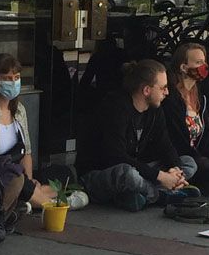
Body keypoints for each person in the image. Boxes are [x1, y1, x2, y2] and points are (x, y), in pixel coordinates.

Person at [76, 59, 197, 211]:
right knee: (128, 175)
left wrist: (175, 170)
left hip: (138, 167)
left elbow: (165, 144)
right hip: (101, 173)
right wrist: (159, 176)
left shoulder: (155, 109)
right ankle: (160, 195)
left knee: (189, 162)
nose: (167, 92)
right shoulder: (115, 107)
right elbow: (115, 156)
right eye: (163, 88)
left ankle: (138, 194)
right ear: (146, 90)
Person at [0, 53, 62, 212]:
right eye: (7, 78)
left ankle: (30, 201)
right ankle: (55, 207)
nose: (13, 82)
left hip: (17, 172)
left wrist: (30, 179)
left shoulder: (19, 110)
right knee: (28, 187)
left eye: (16, 78)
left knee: (50, 184)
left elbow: (26, 152)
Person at [161, 42, 209, 194]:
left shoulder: (199, 97)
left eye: (204, 62)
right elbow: (177, 140)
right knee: (206, 168)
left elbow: (206, 138)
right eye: (198, 62)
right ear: (183, 67)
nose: (204, 66)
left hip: (196, 155)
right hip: (179, 157)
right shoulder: (171, 99)